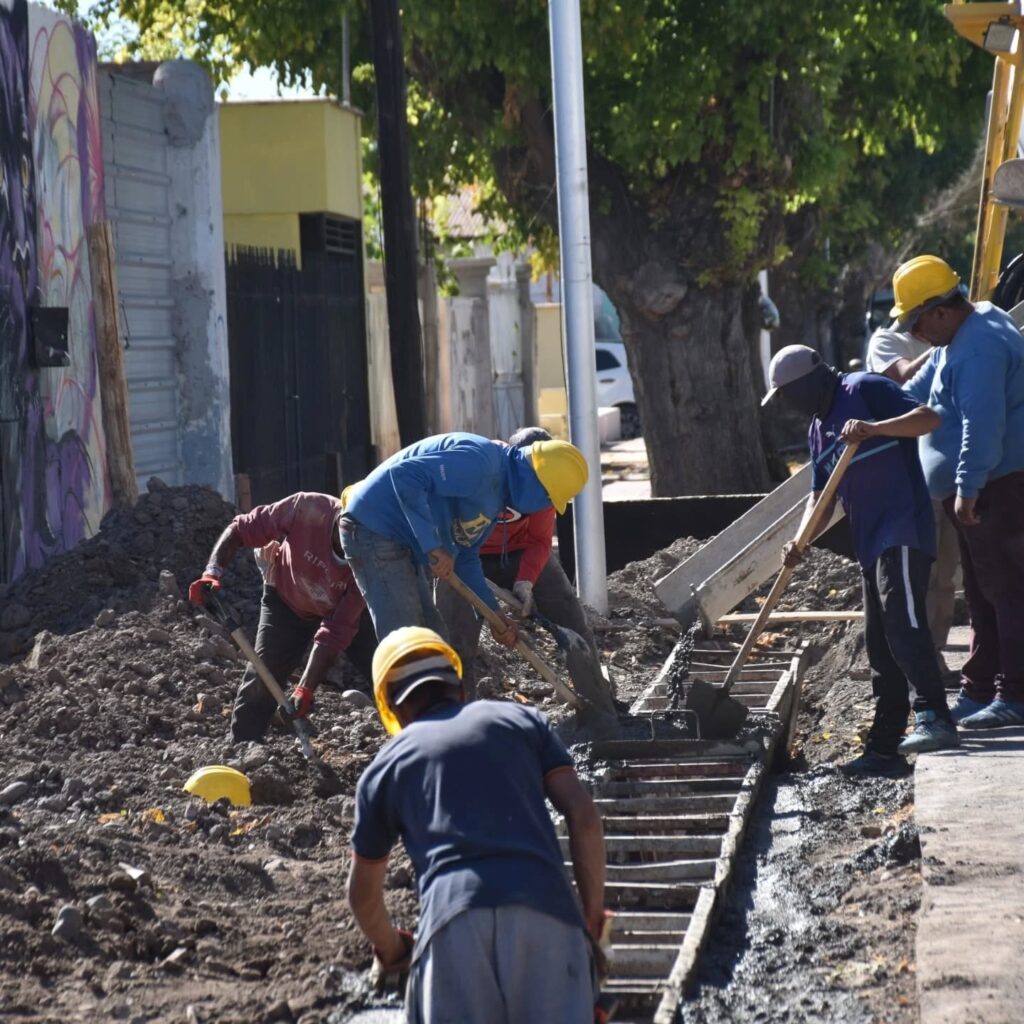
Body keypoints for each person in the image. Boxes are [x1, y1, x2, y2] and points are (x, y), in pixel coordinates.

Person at [347, 626, 605, 1023]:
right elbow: (584, 818)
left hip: (452, 926)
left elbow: (363, 897)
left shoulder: (386, 768)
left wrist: (393, 950)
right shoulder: (522, 720)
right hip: (547, 911)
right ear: (460, 687)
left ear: (393, 710)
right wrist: (590, 916)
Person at [762, 345, 958, 773]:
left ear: (809, 382)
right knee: (879, 645)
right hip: (868, 543)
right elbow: (822, 497)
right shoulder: (818, 430)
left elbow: (928, 418)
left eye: (788, 394)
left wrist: (874, 428)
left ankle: (935, 716)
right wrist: (800, 539)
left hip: (902, 528)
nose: (788, 404)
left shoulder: (864, 388)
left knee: (903, 623)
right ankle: (885, 747)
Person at [894, 254, 1024, 728]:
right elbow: (918, 391)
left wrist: (968, 488)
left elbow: (982, 424)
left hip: (996, 488)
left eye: (916, 322)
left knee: (1007, 590)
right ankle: (981, 687)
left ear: (941, 311)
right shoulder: (963, 333)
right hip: (983, 489)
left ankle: (1015, 694)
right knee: (984, 591)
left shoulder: (978, 346)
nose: (915, 333)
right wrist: (873, 411)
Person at [340, 431, 589, 652]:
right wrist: (433, 545)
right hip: (373, 527)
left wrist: (495, 616)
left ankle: (431, 691)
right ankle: (407, 690)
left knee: (433, 638)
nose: (546, 506)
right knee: (409, 641)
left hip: (399, 540)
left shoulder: (497, 495)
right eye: (549, 498)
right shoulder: (481, 462)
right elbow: (405, 476)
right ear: (536, 480)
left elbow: (466, 558)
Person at [189, 491, 370, 743]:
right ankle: (242, 748)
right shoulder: (307, 508)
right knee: (264, 673)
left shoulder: (368, 560)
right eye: (348, 529)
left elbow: (335, 632)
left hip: (347, 611)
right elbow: (242, 529)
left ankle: (412, 737)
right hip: (287, 599)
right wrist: (212, 571)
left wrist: (305, 688)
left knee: (384, 666)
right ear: (339, 516)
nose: (353, 539)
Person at [435, 426, 602, 696]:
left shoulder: (547, 482)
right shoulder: (482, 468)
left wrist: (526, 580)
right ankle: (457, 710)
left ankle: (599, 699)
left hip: (521, 553)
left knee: (572, 617)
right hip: (465, 555)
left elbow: (539, 541)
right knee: (454, 637)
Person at [865, 325, 961, 668]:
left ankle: (933, 652)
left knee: (946, 575)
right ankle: (914, 659)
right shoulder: (888, 341)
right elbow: (903, 377)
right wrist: (945, 342)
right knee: (921, 574)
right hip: (915, 479)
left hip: (952, 473)